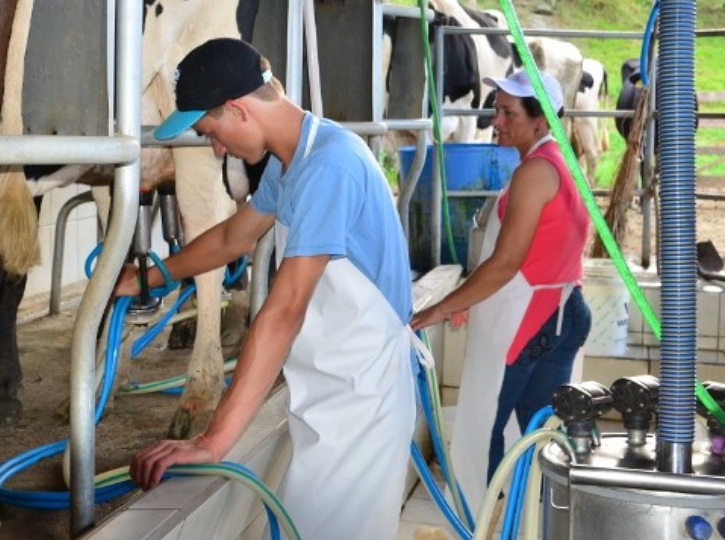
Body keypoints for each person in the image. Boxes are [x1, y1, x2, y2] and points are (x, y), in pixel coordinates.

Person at [116, 38, 416, 539]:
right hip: (327, 391)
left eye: (211, 132)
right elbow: (234, 237)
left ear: (237, 110)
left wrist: (214, 442)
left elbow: (283, 312)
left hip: (361, 402)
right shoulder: (291, 160)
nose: (215, 148)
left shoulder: (330, 165)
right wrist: (147, 277)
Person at [411, 69, 592, 511]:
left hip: (528, 321)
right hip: (562, 312)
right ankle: (535, 521)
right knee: (541, 434)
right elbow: (550, 251)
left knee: (485, 429)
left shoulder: (535, 173)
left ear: (541, 120)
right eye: (496, 109)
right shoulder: (561, 164)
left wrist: (437, 309)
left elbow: (506, 262)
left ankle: (482, 521)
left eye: (508, 112)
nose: (496, 121)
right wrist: (474, 298)